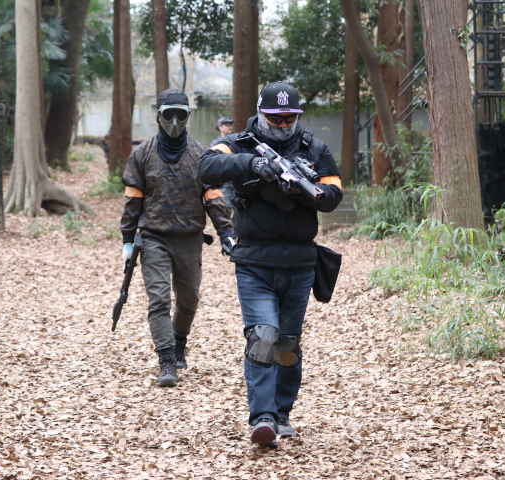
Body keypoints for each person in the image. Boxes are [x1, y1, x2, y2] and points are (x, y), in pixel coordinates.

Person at [197, 81, 343, 446]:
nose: (282, 125)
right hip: (254, 262)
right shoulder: (239, 143)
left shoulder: (314, 148)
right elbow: (206, 167)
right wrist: (253, 164)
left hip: (300, 263)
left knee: (287, 345)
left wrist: (304, 191)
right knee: (262, 338)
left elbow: (333, 194)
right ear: (261, 114)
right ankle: (262, 419)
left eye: (289, 118)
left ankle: (282, 414)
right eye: (275, 118)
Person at [120, 88, 235, 388]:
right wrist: (128, 241)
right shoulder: (142, 154)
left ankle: (179, 340)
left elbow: (213, 197)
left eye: (180, 115)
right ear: (158, 116)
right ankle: (167, 359)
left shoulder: (201, 155)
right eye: (168, 115)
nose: (174, 122)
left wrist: (226, 232)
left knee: (189, 299)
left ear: (188, 117)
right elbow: (133, 200)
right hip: (154, 237)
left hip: (190, 238)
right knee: (158, 300)